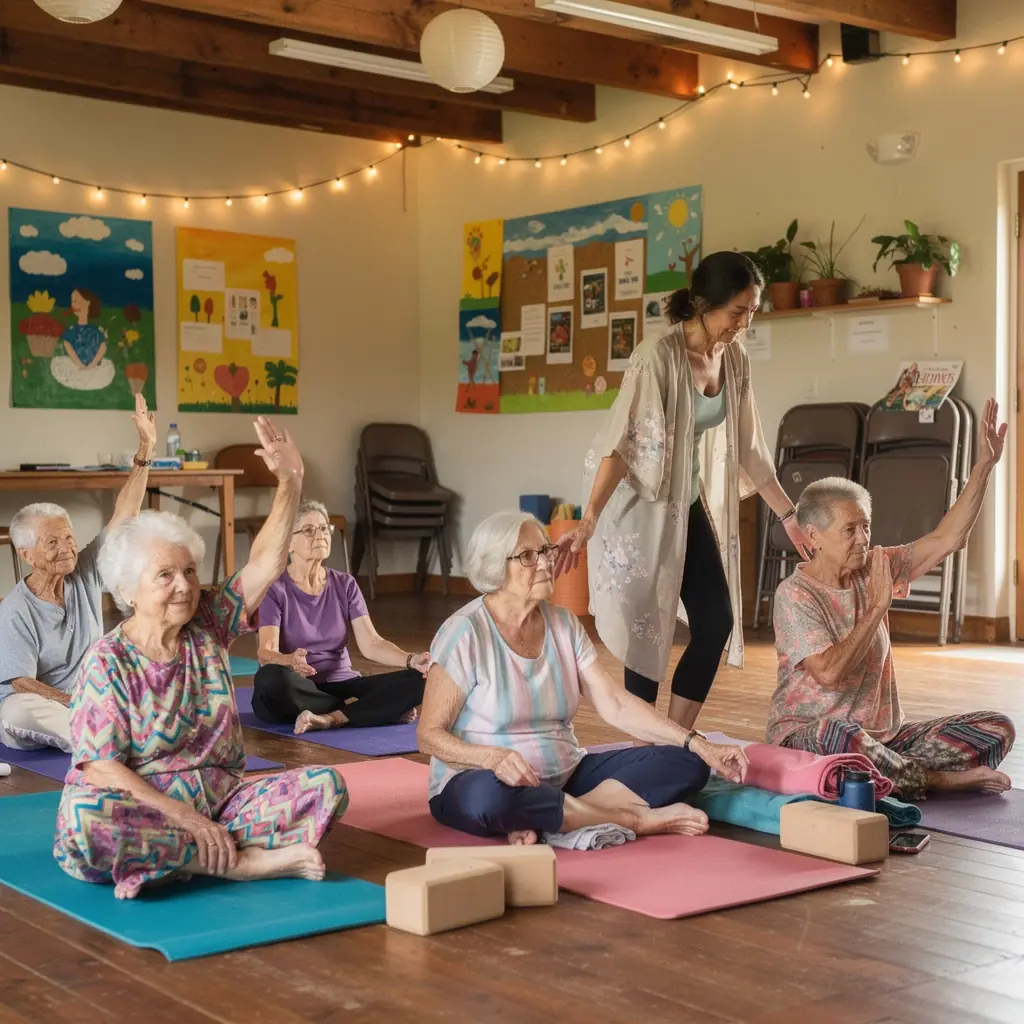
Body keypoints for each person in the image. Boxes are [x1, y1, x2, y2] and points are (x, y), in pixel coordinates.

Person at [54, 418, 348, 899]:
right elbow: (100, 767)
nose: (185, 586)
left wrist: (291, 482)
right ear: (127, 591)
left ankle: (175, 859)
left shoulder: (208, 623)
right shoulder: (108, 660)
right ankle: (234, 863)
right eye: (165, 575)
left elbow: (266, 564)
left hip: (221, 800)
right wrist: (186, 818)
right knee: (83, 819)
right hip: (147, 807)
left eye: (189, 571)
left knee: (326, 786)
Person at [554, 252, 810, 734]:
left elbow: (750, 448)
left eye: (752, 312)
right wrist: (588, 518)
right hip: (638, 510)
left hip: (683, 504)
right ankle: (645, 750)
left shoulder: (734, 358)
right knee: (645, 635)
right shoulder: (657, 356)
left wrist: (789, 516)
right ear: (703, 304)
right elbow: (623, 444)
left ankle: (673, 740)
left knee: (716, 622)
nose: (744, 324)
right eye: (737, 312)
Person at [418, 511, 750, 845]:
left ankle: (557, 815)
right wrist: (491, 758)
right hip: (483, 779)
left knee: (688, 762)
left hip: (566, 776)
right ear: (494, 569)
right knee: (490, 799)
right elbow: (428, 736)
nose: (546, 562)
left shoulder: (563, 625)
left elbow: (615, 704)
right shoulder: (465, 632)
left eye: (546, 550)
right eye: (528, 556)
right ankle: (631, 819)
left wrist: (699, 744)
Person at [766, 399, 1015, 799]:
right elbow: (828, 673)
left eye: (865, 526)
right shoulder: (794, 594)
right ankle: (930, 780)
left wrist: (985, 465)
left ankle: (888, 772)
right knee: (837, 734)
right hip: (810, 738)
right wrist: (877, 608)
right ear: (814, 537)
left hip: (885, 739)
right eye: (849, 530)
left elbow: (947, 539)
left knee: (996, 727)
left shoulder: (877, 565)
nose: (863, 539)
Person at [0, 393, 156, 753]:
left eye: (69, 537)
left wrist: (145, 449)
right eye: (52, 542)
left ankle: (104, 733)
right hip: (45, 705)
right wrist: (72, 701)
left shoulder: (83, 572)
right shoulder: (15, 610)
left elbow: (126, 515)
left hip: (89, 700)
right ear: (26, 554)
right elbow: (22, 683)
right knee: (17, 711)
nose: (67, 548)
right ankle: (107, 740)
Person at [252, 498, 428, 734]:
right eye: (308, 530)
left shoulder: (345, 584)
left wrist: (411, 660)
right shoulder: (275, 589)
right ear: (288, 543)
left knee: (424, 678)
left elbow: (372, 643)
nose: (320, 535)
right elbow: (266, 653)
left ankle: (332, 718)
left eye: (324, 528)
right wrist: (289, 661)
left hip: (342, 683)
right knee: (270, 679)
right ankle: (364, 710)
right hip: (298, 686)